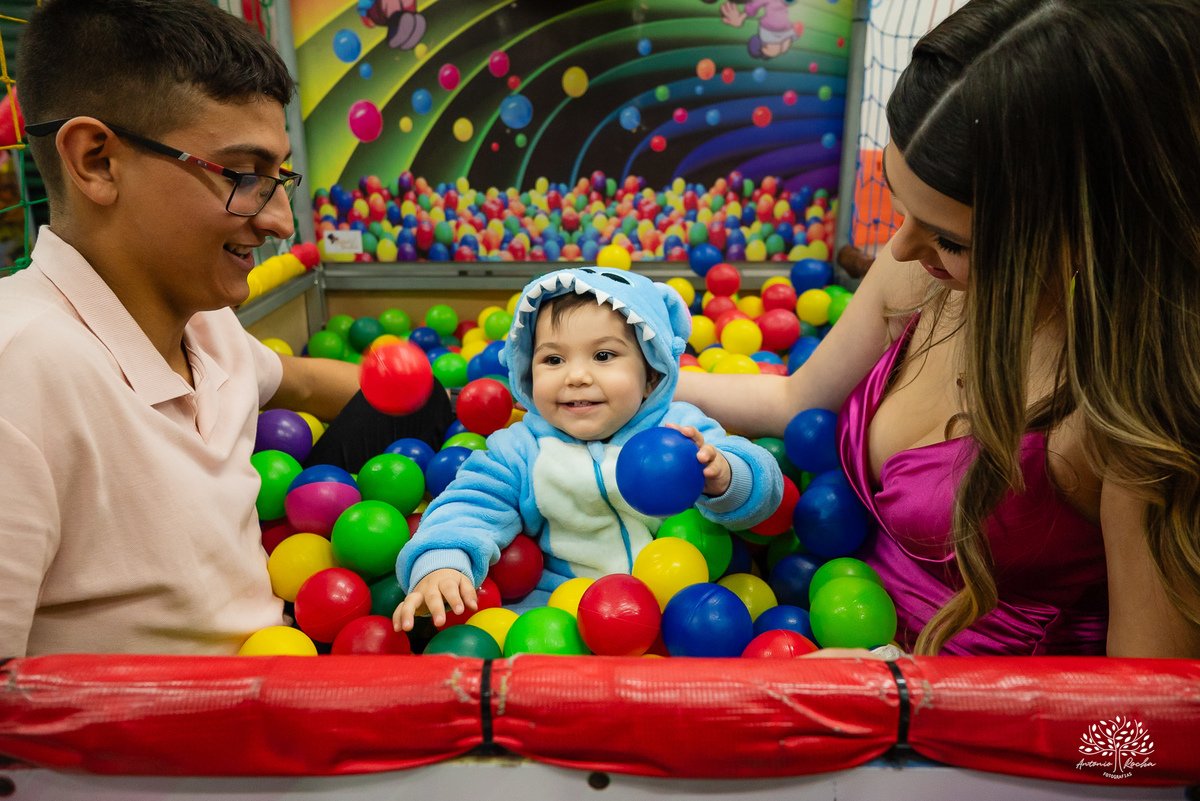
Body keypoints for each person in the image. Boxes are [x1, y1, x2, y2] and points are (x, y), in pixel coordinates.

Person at [675, 0, 1200, 658]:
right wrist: (637, 379)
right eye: (898, 200)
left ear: (1087, 235)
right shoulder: (922, 275)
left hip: (974, 709)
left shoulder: (1139, 412)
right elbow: (793, 400)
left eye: (952, 239)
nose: (898, 249)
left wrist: (900, 690)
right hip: (819, 628)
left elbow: (1145, 704)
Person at [0, 0, 450, 657]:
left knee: (427, 398)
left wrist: (497, 424)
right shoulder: (20, 373)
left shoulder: (206, 323)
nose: (280, 222)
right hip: (202, 716)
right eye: (244, 176)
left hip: (292, 651)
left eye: (279, 177)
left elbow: (306, 380)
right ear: (97, 161)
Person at [393, 267, 784, 630]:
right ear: (527, 373)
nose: (576, 376)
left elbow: (766, 489)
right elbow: (471, 503)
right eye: (553, 359)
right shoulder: (520, 449)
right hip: (561, 614)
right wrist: (442, 562)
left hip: (681, 613)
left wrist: (725, 476)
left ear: (651, 375)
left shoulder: (680, 431)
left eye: (603, 356)